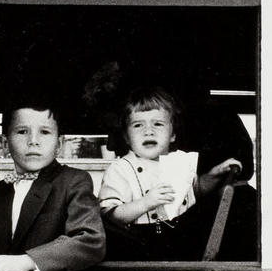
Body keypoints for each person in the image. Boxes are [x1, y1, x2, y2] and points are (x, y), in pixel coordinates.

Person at [0, 99, 105, 271]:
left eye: (45, 132)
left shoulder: (73, 181)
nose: (33, 141)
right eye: (22, 132)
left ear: (59, 144)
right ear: (5, 144)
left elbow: (90, 240)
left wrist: (27, 261)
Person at [98, 86, 242, 260]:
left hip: (180, 238)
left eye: (158, 124)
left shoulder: (179, 161)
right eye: (138, 125)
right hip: (140, 242)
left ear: (172, 135)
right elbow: (111, 214)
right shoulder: (121, 168)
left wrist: (216, 173)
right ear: (127, 137)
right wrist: (146, 203)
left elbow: (195, 191)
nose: (148, 131)